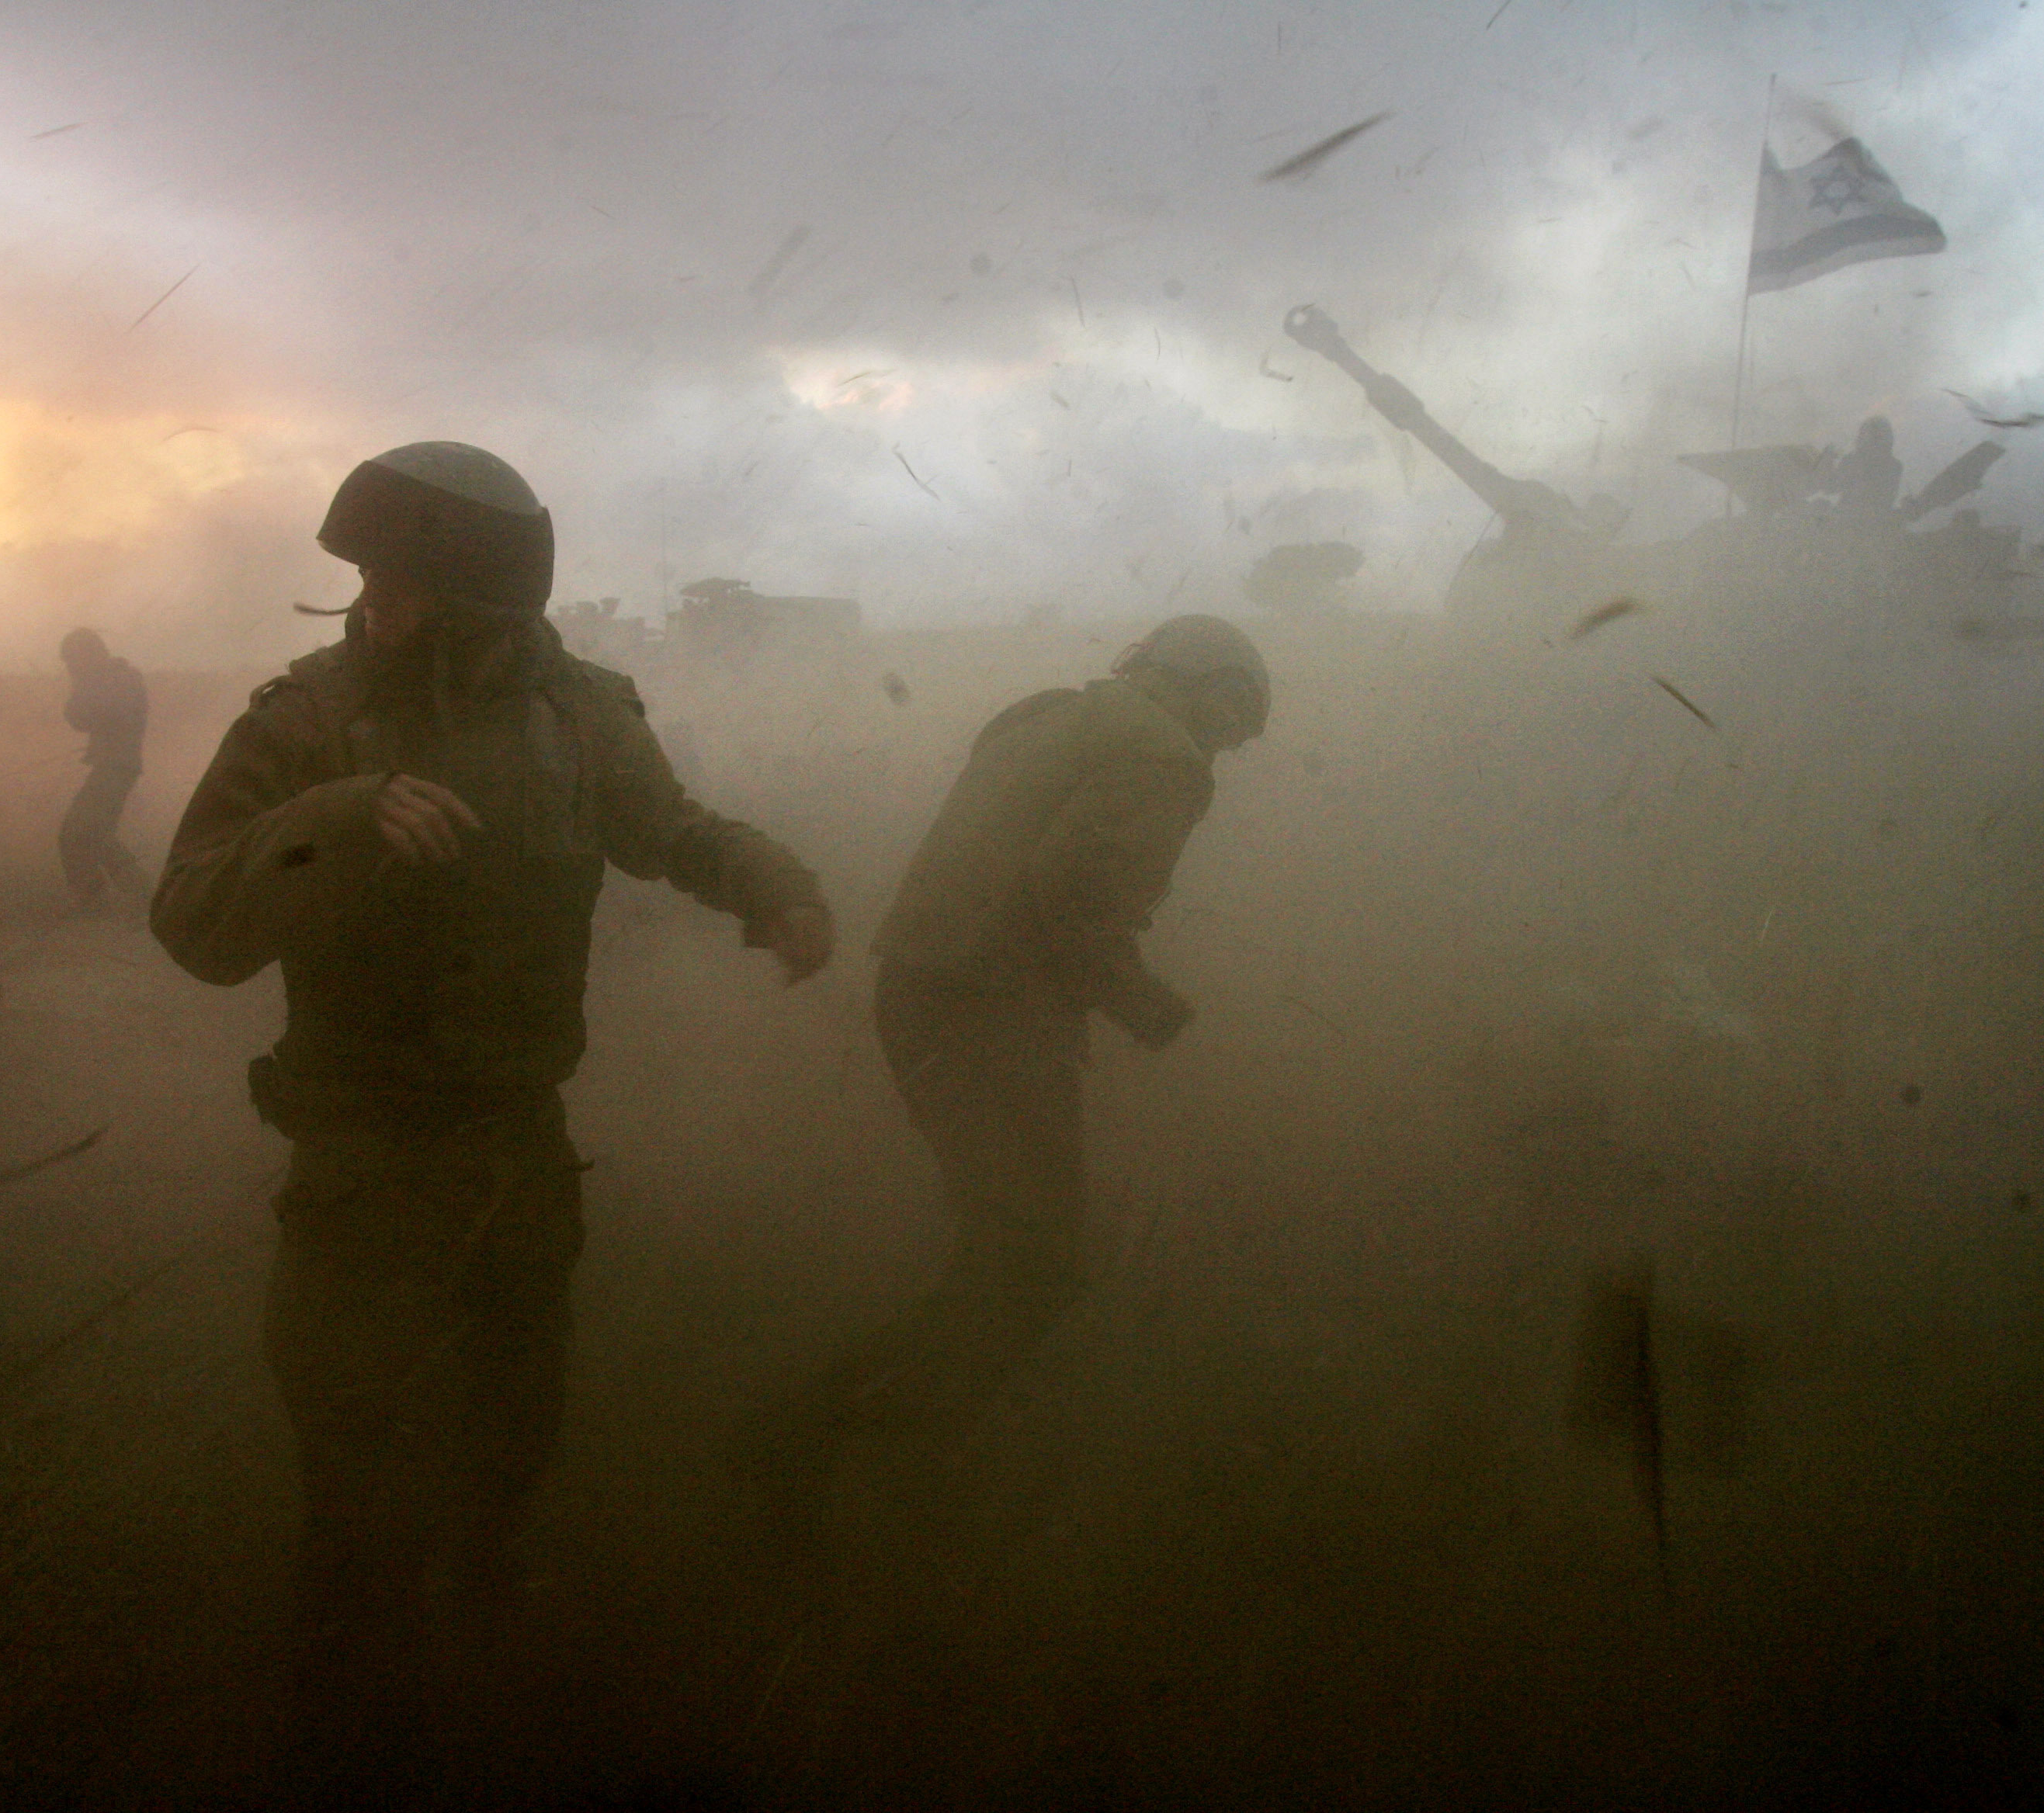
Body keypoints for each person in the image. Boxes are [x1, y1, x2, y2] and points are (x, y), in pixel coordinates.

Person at [148, 442, 833, 1780]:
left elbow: (668, 829)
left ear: (487, 603)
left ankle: (489, 1662)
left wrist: (773, 886)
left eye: (397, 582)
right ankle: (340, 1722)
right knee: (351, 1459)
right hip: (356, 1144)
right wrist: (339, 819)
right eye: (361, 578)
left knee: (512, 1420)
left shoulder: (577, 715)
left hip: (516, 1136)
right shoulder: (303, 721)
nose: (368, 606)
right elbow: (190, 920)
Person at [769, 614, 1270, 1510]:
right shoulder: (1164, 756)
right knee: (1033, 1259)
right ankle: (852, 1437)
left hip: (924, 990)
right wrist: (1148, 1007)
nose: (1226, 744)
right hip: (991, 1008)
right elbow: (1074, 900)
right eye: (1233, 715)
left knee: (1009, 1245)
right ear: (1200, 684)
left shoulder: (1052, 717)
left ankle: (874, 1429)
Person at [55, 629, 149, 909]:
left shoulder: (116, 680)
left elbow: (85, 716)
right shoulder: (116, 678)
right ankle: (139, 893)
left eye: (73, 660)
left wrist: (85, 687)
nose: (70, 667)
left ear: (89, 654)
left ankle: (99, 898)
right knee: (95, 834)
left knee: (76, 833)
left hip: (117, 767)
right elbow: (84, 717)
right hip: (116, 765)